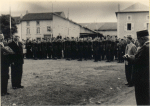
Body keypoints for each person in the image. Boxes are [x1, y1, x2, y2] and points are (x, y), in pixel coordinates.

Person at [125, 30, 149, 105]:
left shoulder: (145, 47)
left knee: (141, 99)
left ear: (142, 39)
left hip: (141, 78)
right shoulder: (146, 46)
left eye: (138, 39)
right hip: (145, 77)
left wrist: (128, 58)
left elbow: (138, 61)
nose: (137, 41)